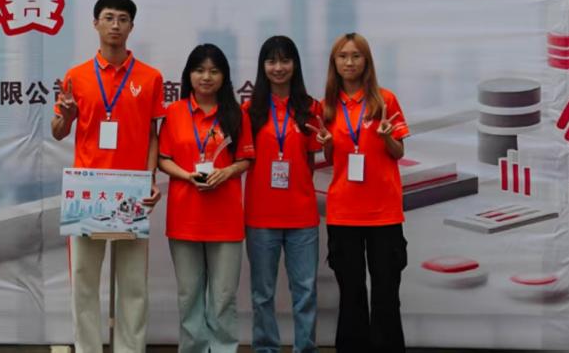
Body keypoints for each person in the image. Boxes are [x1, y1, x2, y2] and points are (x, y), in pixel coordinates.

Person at [52, 0, 165, 353]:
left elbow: (153, 134)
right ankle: (87, 348)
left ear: (132, 26)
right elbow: (58, 131)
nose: (115, 25)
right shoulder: (76, 76)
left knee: (133, 286)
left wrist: (150, 179)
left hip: (132, 191)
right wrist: (66, 114)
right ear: (95, 23)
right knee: (84, 283)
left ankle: (130, 349)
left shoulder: (150, 77)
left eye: (123, 19)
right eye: (108, 18)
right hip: (88, 191)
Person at [157, 43, 254, 353]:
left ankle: (224, 348)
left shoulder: (236, 114)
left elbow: (246, 159)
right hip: (184, 217)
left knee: (224, 296)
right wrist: (187, 176)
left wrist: (227, 172)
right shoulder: (174, 112)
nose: (206, 77)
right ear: (189, 75)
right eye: (199, 70)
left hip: (225, 219)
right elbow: (163, 158)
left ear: (224, 76)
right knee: (189, 295)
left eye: (214, 71)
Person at [318, 32, 410, 353]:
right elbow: (333, 159)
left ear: (367, 61)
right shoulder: (327, 106)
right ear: (334, 63)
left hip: (384, 213)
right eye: (343, 56)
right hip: (343, 213)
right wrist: (327, 145)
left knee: (386, 293)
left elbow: (398, 152)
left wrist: (386, 137)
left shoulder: (385, 100)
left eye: (356, 56)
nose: (349, 62)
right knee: (351, 294)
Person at [244, 35, 323, 353]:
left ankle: (305, 348)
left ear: (295, 65)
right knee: (262, 294)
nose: (278, 68)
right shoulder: (249, 110)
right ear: (262, 66)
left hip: (302, 216)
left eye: (285, 60)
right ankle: (266, 348)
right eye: (271, 61)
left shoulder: (311, 108)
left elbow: (311, 160)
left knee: (305, 292)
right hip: (260, 216)